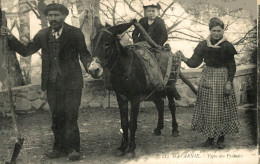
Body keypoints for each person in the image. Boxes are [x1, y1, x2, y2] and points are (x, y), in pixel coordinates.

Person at [0, 2, 91, 160]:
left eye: (56, 15)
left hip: (72, 84)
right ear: (47, 17)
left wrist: (92, 67)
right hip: (52, 83)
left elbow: (84, 55)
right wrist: (9, 37)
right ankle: (59, 148)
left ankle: (73, 149)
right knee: (56, 116)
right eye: (50, 15)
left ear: (64, 16)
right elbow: (26, 50)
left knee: (70, 116)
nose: (53, 18)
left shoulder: (75, 33)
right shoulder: (42, 34)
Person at [180, 17, 240, 149]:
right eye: (214, 30)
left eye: (219, 30)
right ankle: (210, 137)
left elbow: (232, 65)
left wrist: (229, 82)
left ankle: (221, 138)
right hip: (207, 77)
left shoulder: (227, 46)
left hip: (222, 77)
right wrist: (184, 59)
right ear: (210, 30)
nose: (216, 33)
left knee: (222, 108)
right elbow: (195, 63)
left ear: (223, 30)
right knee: (208, 108)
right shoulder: (203, 45)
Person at [132, 1, 181, 100]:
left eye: (153, 11)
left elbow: (164, 36)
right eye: (149, 11)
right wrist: (137, 43)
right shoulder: (142, 21)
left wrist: (156, 45)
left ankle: (164, 84)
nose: (151, 13)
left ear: (157, 12)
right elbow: (134, 34)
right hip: (141, 46)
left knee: (161, 60)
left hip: (155, 46)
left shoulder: (160, 21)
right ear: (145, 12)